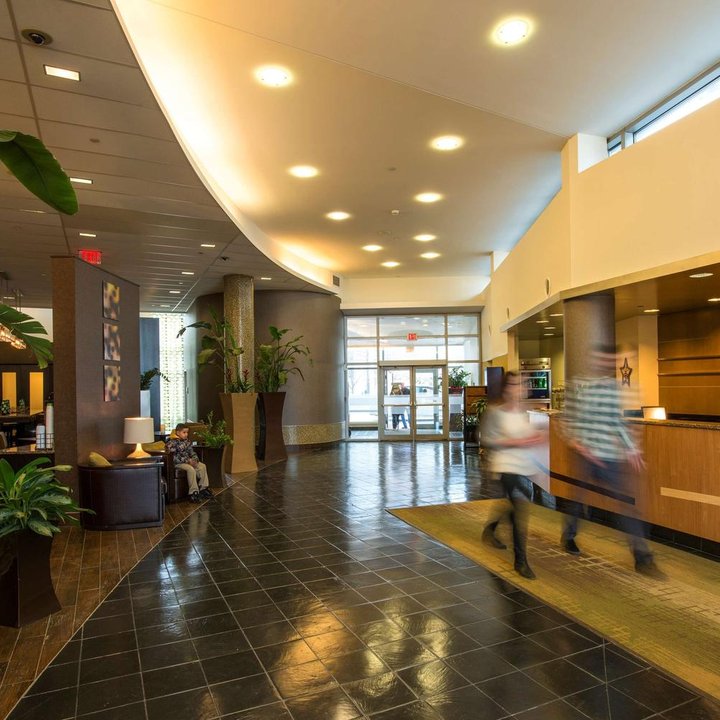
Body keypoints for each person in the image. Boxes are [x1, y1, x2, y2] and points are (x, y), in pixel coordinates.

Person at [561, 345, 661, 576]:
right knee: (577, 500)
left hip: (609, 457)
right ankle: (568, 536)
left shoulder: (613, 388)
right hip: (584, 455)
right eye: (604, 359)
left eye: (611, 360)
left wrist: (632, 449)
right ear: (594, 360)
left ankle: (642, 558)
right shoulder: (578, 385)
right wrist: (576, 443)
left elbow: (617, 421)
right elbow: (568, 419)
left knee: (627, 505)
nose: (607, 364)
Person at [481, 372, 543, 579]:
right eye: (515, 384)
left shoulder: (524, 412)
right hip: (505, 465)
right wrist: (514, 442)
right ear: (507, 388)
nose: (520, 388)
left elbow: (526, 436)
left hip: (523, 465)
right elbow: (486, 439)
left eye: (522, 384)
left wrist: (535, 437)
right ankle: (520, 561)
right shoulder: (495, 412)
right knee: (520, 509)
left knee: (514, 506)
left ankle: (491, 529)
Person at [166, 423, 211, 503]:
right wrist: (187, 461)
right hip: (179, 463)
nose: (186, 434)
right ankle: (193, 492)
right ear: (177, 432)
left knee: (202, 466)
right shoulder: (171, 442)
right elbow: (173, 457)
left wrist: (195, 459)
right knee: (190, 469)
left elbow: (191, 452)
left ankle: (203, 489)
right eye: (184, 432)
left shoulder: (187, 441)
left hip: (189, 461)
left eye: (187, 432)